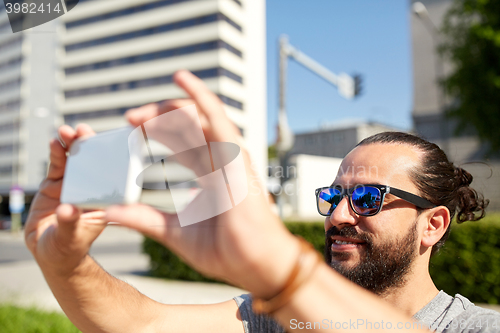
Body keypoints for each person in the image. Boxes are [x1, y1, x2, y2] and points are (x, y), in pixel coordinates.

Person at [24, 70, 499, 332]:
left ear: (433, 224)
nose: (337, 215)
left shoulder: (475, 327)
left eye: (368, 199)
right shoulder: (276, 315)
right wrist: (66, 265)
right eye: (334, 196)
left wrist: (285, 273)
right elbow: (142, 325)